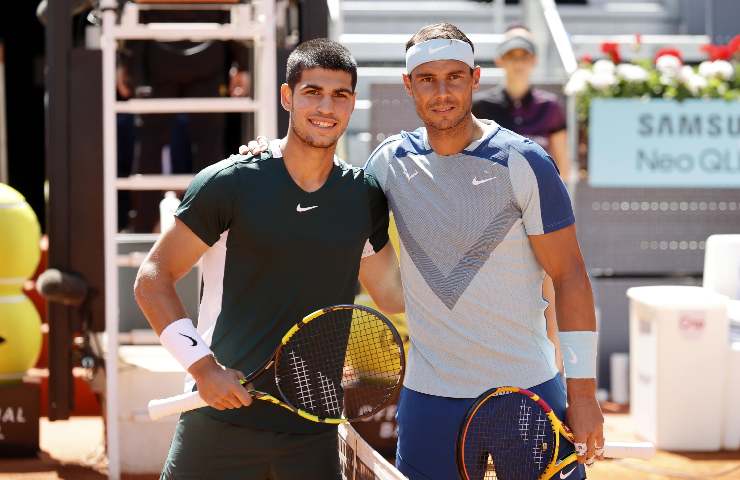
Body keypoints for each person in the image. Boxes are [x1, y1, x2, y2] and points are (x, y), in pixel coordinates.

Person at [245, 22, 602, 480]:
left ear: (475, 79)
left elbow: (570, 275)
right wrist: (270, 154)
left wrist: (585, 395)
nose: (442, 92)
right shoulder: (389, 163)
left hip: (527, 391)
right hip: (429, 398)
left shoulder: (525, 162)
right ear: (408, 85)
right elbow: (324, 184)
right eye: (428, 79)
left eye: (454, 77)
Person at [134, 38, 403, 480]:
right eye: (312, 92)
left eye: (340, 95)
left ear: (353, 103)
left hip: (312, 432)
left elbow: (392, 295)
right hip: (218, 422)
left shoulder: (363, 196)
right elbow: (152, 279)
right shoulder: (229, 183)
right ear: (286, 97)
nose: (326, 107)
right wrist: (204, 369)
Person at [473, 24, 572, 376]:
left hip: (541, 216)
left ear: (533, 60)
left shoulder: (549, 108)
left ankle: (553, 379)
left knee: (551, 299)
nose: (518, 62)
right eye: (512, 55)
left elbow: (562, 168)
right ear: (501, 59)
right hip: (494, 220)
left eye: (525, 55)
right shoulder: (483, 105)